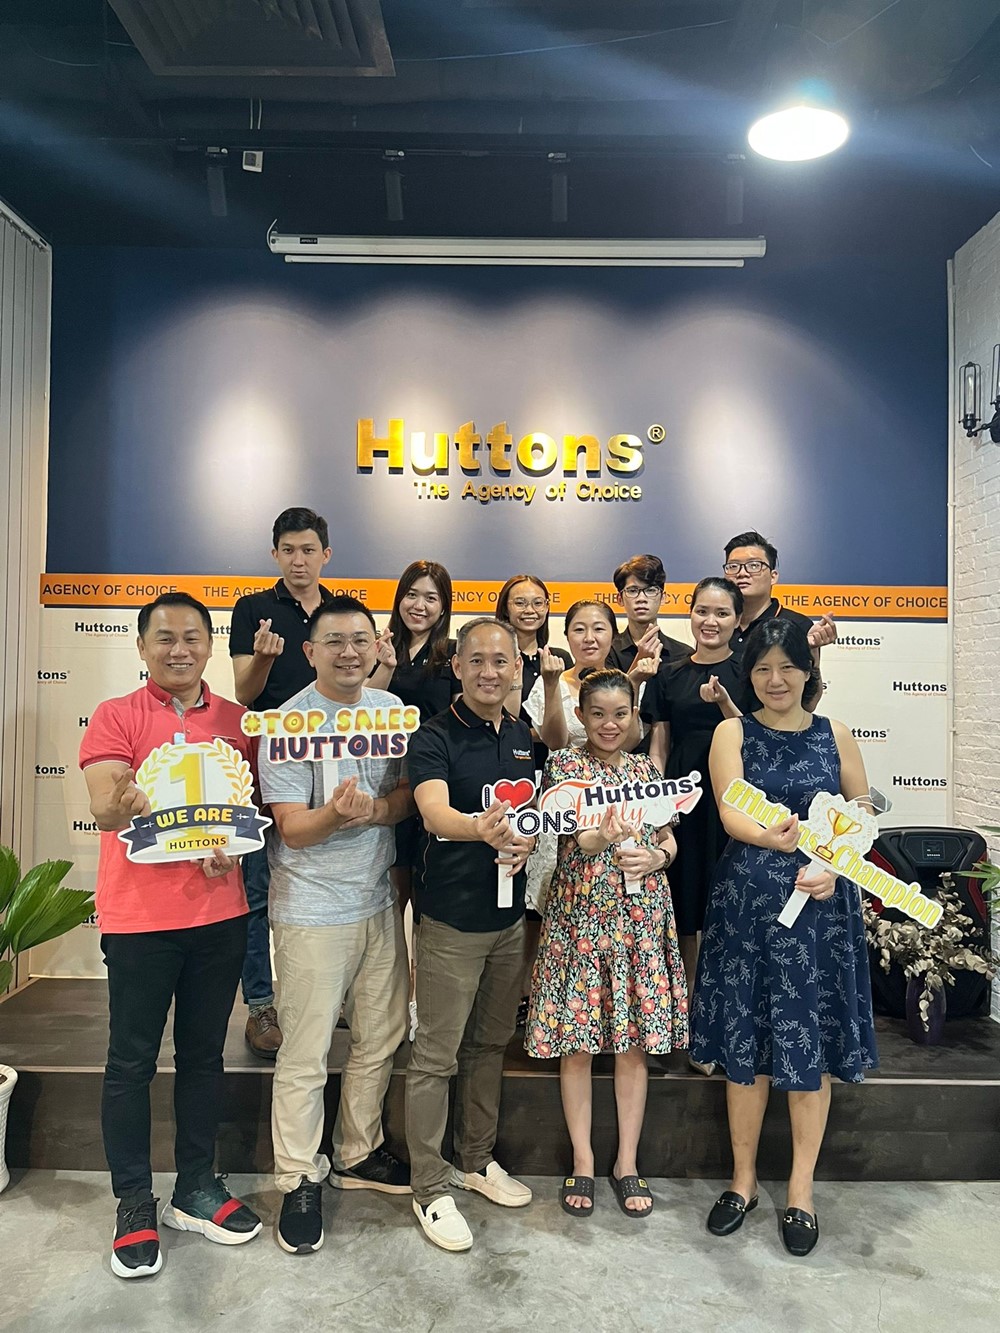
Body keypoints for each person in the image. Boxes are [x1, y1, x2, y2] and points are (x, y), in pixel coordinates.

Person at [80, 592, 262, 1280]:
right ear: (141, 647)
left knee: (204, 1058)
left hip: (219, 916)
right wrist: (121, 802)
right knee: (130, 1063)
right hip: (140, 922)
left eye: (192, 636)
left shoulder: (237, 722)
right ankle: (133, 1200)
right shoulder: (115, 715)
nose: (179, 649)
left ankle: (195, 1187)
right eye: (165, 638)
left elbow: (245, 814)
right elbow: (103, 809)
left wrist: (229, 849)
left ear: (210, 645)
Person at [690, 618, 878, 1257]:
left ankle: (801, 1190)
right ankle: (742, 1181)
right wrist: (770, 836)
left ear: (807, 672)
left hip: (821, 907)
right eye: (763, 669)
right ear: (750, 675)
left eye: (788, 668)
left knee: (810, 1044)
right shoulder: (732, 731)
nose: (776, 680)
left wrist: (836, 862)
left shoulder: (836, 733)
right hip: (748, 908)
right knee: (746, 1044)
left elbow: (863, 808)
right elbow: (730, 807)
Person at [259, 596, 414, 1255]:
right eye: (334, 641)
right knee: (306, 1050)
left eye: (359, 640)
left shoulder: (390, 711)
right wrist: (336, 814)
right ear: (310, 651)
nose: (349, 652)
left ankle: (357, 1151)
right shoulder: (286, 723)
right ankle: (298, 1175)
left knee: (380, 1035)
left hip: (377, 903)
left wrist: (376, 810)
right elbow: (292, 829)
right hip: (311, 911)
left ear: (376, 646)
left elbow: (405, 796)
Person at [525, 670, 688, 1219]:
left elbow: (668, 837)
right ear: (582, 716)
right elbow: (576, 839)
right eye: (598, 714)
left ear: (634, 717)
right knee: (576, 1045)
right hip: (581, 919)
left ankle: (627, 1163)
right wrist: (605, 836)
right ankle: (583, 1159)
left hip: (641, 919)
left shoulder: (647, 771)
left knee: (632, 1045)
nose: (609, 725)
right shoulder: (565, 767)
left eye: (620, 714)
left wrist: (657, 856)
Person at [404, 618, 537, 1253]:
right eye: (476, 660)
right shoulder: (433, 736)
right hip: (450, 922)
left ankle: (475, 1160)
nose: (489, 671)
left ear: (517, 668)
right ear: (456, 666)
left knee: (488, 1045)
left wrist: (526, 839)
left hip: (508, 922)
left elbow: (534, 816)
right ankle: (429, 1186)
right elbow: (433, 812)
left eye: (501, 661)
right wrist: (478, 828)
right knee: (435, 1057)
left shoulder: (523, 735)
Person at [229, 507, 334, 1058]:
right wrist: (264, 661)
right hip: (268, 765)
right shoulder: (253, 610)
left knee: (324, 879)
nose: (298, 560)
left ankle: (329, 993)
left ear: (325, 555)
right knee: (256, 891)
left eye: (308, 550)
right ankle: (261, 1005)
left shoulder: (340, 612)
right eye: (288, 550)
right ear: (275, 554)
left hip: (335, 765)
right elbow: (244, 694)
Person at [369, 560, 458, 1040]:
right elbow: (363, 713)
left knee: (427, 907)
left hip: (436, 789)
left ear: (444, 607)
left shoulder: (453, 655)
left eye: (430, 597)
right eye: (412, 594)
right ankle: (391, 1004)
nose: (419, 605)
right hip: (387, 786)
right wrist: (383, 665)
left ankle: (423, 1003)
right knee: (391, 903)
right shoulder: (379, 647)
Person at [648, 577, 748, 995]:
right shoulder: (669, 673)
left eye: (722, 613)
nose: (710, 621)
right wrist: (657, 800)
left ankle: (722, 998)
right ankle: (686, 996)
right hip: (682, 797)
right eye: (702, 611)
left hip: (733, 799)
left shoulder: (750, 670)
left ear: (738, 620)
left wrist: (724, 701)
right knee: (684, 899)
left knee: (724, 892)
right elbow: (659, 743)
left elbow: (754, 738)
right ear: (689, 614)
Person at [523, 601, 652, 923]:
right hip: (566, 793)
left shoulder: (626, 682)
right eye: (579, 629)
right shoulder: (550, 679)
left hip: (617, 798)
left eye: (599, 628)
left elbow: (628, 743)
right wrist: (551, 684)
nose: (589, 638)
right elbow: (555, 742)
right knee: (555, 901)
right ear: (567, 635)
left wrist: (634, 681)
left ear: (613, 634)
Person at [496, 573, 571, 1023]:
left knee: (545, 897)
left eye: (538, 602)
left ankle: (538, 994)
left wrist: (546, 687)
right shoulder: (496, 657)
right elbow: (507, 723)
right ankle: (510, 995)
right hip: (505, 782)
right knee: (513, 894)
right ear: (505, 607)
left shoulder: (558, 660)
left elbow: (558, 736)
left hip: (551, 785)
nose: (529, 610)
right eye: (520, 602)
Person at [723, 530, 836, 658]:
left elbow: (810, 671)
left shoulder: (798, 625)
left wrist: (810, 649)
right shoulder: (716, 623)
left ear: (773, 577)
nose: (742, 573)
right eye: (733, 566)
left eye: (754, 565)